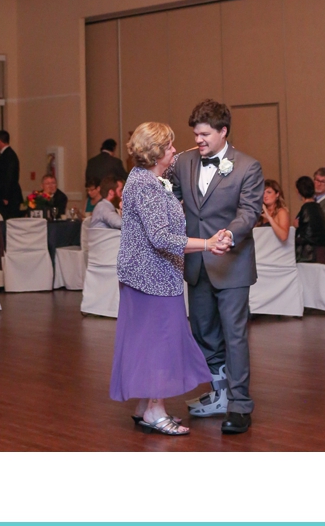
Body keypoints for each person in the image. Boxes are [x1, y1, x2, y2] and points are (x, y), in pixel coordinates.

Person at [111, 122, 228, 436]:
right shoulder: (147, 185)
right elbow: (161, 238)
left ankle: (144, 407)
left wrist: (208, 142)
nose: (175, 151)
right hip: (153, 278)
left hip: (146, 277)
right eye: (170, 146)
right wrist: (207, 243)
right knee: (160, 343)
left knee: (146, 343)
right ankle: (155, 410)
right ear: (155, 153)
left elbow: (184, 159)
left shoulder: (144, 178)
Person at [169, 99, 262, 435]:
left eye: (205, 134)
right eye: (195, 134)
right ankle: (220, 393)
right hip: (196, 263)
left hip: (231, 264)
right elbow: (172, 196)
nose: (199, 140)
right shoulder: (184, 162)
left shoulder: (248, 167)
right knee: (204, 333)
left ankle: (240, 405)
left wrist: (229, 233)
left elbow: (249, 212)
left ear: (223, 131)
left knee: (234, 335)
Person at [0, 130, 23, 219]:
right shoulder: (7, 154)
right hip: (7, 195)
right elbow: (3, 175)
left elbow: (10, 177)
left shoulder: (9, 155)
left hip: (9, 197)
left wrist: (6, 196)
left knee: (8, 220)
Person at [293, 175, 325, 264]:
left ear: (298, 191)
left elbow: (308, 236)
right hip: (323, 252)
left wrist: (297, 228)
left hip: (311, 254)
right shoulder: (318, 207)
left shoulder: (306, 209)